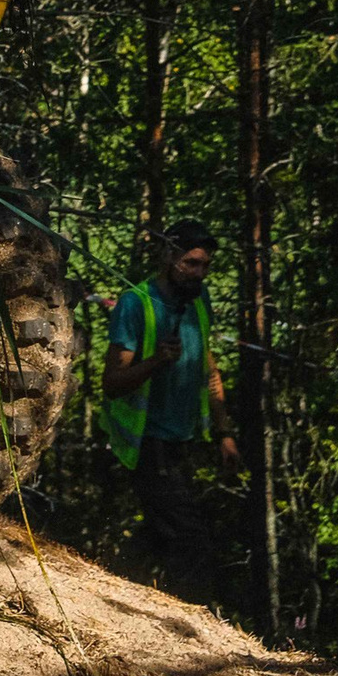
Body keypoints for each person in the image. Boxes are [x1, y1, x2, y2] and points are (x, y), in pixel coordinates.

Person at [102, 219, 241, 597]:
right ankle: (191, 618)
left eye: (205, 265)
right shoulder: (136, 303)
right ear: (169, 257)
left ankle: (114, 579)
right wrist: (155, 363)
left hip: (185, 439)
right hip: (149, 441)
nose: (200, 273)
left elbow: (208, 365)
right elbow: (112, 382)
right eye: (192, 263)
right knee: (189, 535)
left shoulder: (199, 299)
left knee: (162, 531)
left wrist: (224, 432)